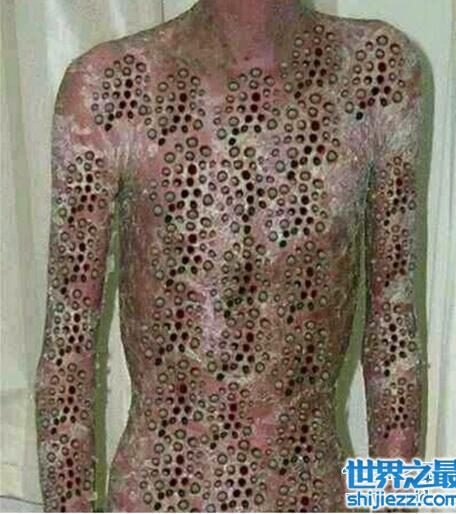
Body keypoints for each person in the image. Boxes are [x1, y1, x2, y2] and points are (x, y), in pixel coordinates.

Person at [35, 0, 425, 511]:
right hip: (159, 495)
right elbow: (66, 353)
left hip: (311, 494)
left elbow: (393, 338)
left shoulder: (377, 67)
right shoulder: (109, 85)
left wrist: (397, 505)